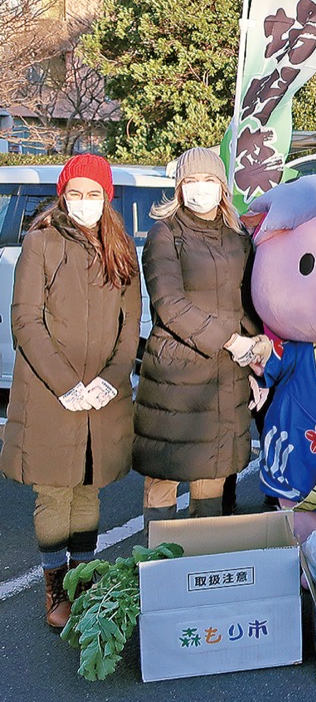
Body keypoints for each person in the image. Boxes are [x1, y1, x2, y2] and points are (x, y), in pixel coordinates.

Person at [0, 154, 141, 629]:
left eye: (94, 193)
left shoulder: (119, 246)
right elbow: (25, 319)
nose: (84, 202)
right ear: (63, 195)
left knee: (88, 488)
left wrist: (112, 377)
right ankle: (55, 587)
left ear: (106, 197)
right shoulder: (41, 241)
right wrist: (66, 385)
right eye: (76, 193)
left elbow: (130, 324)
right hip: (49, 391)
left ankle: (84, 579)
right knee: (54, 491)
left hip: (101, 391)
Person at [133, 148, 268, 524]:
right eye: (191, 181)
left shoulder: (237, 236)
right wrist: (232, 340)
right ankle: (157, 556)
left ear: (222, 186)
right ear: (179, 188)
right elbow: (169, 304)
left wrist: (259, 343)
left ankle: (202, 556)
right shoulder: (164, 234)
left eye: (208, 180)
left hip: (225, 376)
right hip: (174, 375)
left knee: (212, 477)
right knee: (163, 476)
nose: (199, 189)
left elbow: (245, 301)